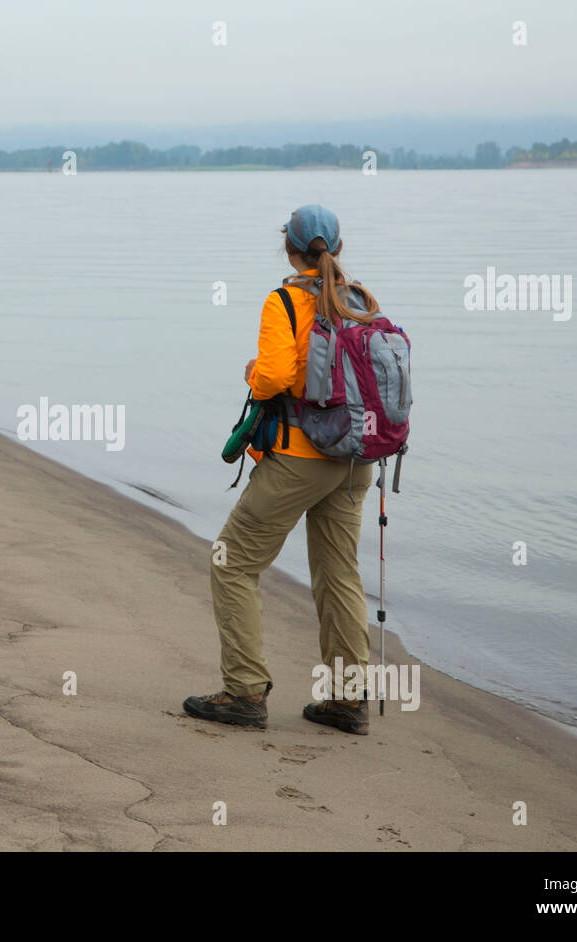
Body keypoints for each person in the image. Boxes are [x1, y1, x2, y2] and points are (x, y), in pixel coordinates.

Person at [183, 204, 381, 734]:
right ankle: (348, 699)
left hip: (299, 458)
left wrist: (254, 371)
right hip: (358, 458)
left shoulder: (285, 301)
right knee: (339, 574)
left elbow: (271, 377)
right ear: (336, 249)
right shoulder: (359, 299)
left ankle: (244, 692)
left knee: (232, 563)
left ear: (290, 249)